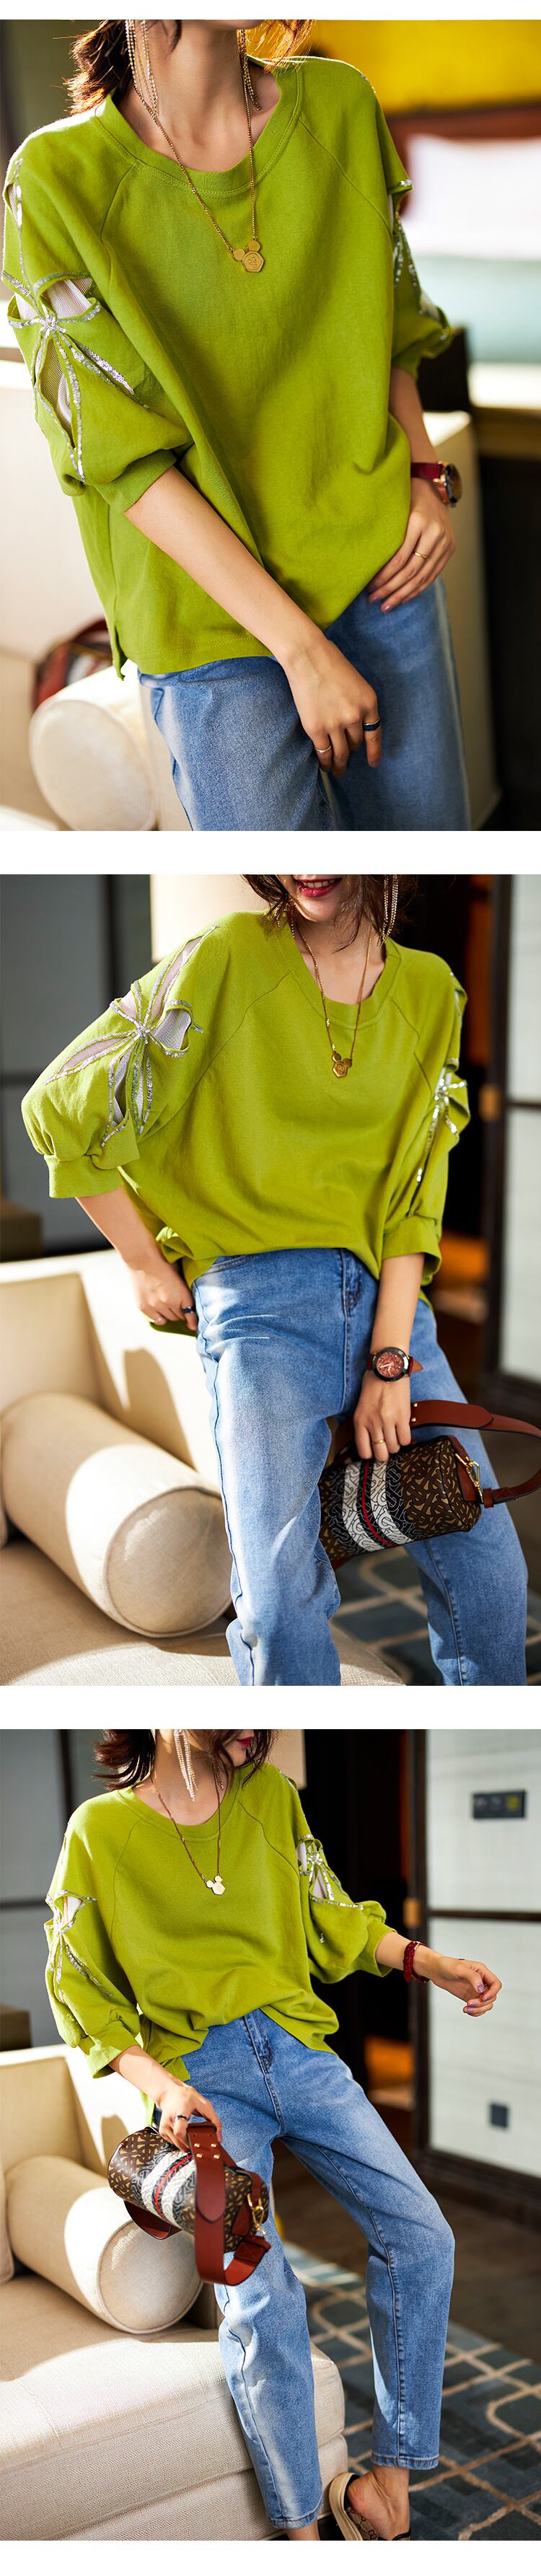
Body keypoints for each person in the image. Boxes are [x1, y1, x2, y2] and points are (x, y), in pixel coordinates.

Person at [21, 872, 528, 1687]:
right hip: (259, 1312)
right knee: (279, 1601)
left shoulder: (433, 990)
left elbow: (416, 1197)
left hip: (394, 1310)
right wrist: (144, 1263)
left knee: (492, 1571)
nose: (307, 867)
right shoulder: (229, 955)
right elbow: (61, 1105)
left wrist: (390, 1359)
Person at [2, 19, 469, 833]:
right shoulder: (52, 181)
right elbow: (122, 457)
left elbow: (390, 318)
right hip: (206, 619)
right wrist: (302, 648)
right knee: (286, 880)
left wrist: (427, 475)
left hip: (380, 568)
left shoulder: (341, 105)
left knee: (426, 874)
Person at [44, 1727, 503, 2541]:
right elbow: (80, 1988)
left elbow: (331, 1915)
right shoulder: (100, 1830)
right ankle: (300, 2531)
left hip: (300, 2052)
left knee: (422, 2236)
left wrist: (433, 1964)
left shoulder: (272, 1796)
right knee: (259, 2296)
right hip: (201, 2090)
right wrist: (165, 2087)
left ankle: (390, 2489)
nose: (254, 1731)